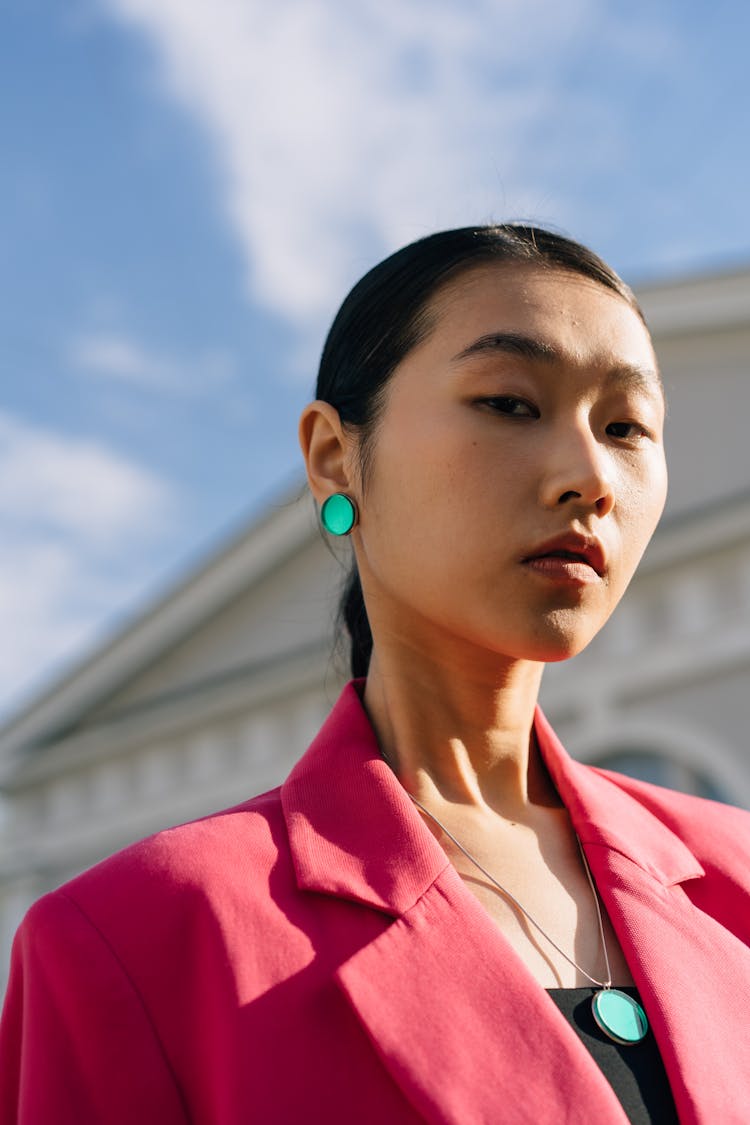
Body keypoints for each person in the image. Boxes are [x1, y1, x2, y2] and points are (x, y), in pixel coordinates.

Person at [1, 225, 749, 1125]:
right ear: (333, 457)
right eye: (511, 403)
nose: (590, 475)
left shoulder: (734, 875)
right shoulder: (141, 938)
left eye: (627, 425)